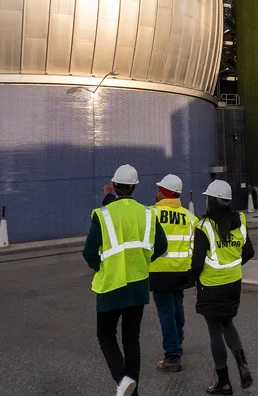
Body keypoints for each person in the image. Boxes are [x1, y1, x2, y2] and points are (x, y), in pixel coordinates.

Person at [83, 164, 169, 396]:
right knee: (132, 339)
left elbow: (89, 253)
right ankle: (134, 391)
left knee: (106, 335)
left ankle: (122, 379)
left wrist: (100, 266)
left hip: (111, 284)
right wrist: (142, 259)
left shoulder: (102, 215)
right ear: (134, 188)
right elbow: (161, 245)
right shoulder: (147, 213)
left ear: (114, 186)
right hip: (138, 284)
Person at [191, 179, 255, 395]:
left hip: (211, 287)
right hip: (233, 284)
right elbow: (249, 253)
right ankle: (243, 365)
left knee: (215, 332)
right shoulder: (240, 220)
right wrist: (232, 266)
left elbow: (197, 262)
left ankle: (224, 382)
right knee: (228, 324)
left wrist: (191, 280)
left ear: (211, 201)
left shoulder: (204, 226)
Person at [149, 174, 194, 372]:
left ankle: (172, 356)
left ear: (165, 192)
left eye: (159, 189)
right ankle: (178, 334)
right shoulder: (189, 217)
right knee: (177, 305)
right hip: (182, 271)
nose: (156, 192)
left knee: (166, 312)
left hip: (159, 272)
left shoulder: (151, 214)